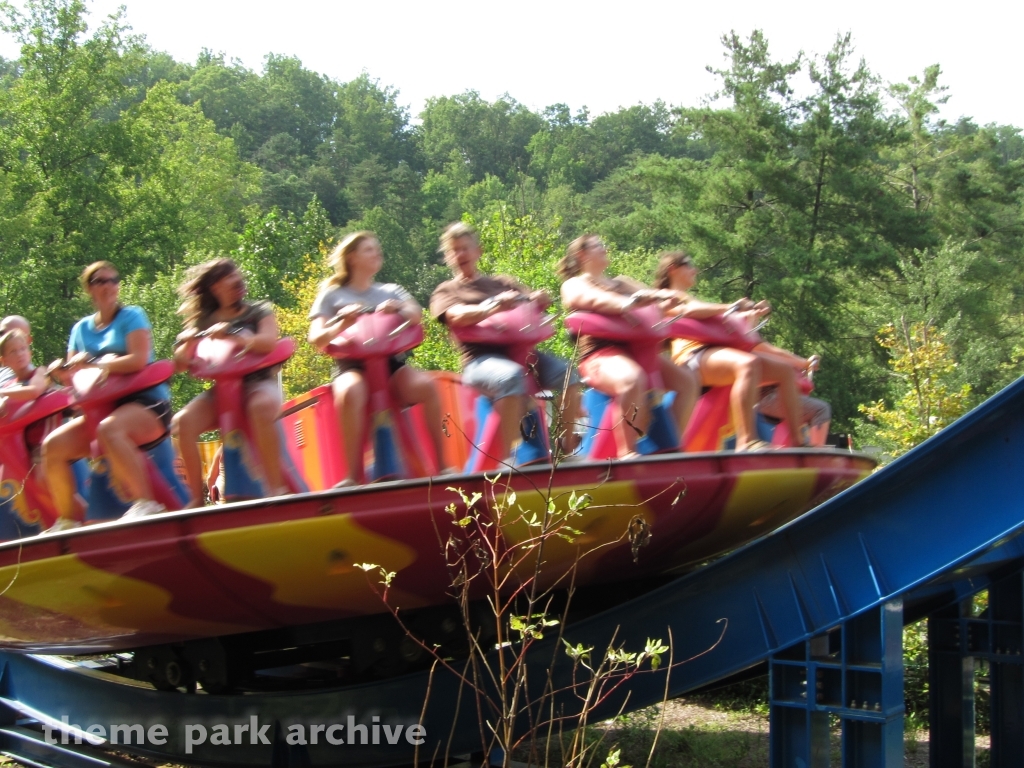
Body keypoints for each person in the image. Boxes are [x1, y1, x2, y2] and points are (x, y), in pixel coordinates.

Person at [430, 222, 584, 464]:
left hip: (524, 353)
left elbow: (531, 303)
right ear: (448, 257)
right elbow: (455, 316)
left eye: (465, 248)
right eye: (454, 250)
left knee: (568, 374)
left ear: (478, 251)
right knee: (511, 376)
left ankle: (564, 446)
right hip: (480, 361)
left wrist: (539, 299)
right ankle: (504, 460)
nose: (460, 255)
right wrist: (491, 306)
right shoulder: (447, 291)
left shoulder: (502, 282)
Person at [309, 231, 453, 487]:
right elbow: (316, 337)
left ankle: (442, 465)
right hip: (351, 365)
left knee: (426, 387)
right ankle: (352, 475)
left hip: (390, 363)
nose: (377, 253)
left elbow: (416, 314)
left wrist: (397, 307)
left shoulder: (390, 290)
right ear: (352, 258)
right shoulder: (332, 295)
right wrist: (342, 321)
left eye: (377, 249)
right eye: (369, 249)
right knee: (351, 391)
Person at [42, 261, 174, 528]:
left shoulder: (132, 315)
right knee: (52, 447)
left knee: (109, 430)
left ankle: (147, 503)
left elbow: (138, 360)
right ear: (89, 288)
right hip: (99, 408)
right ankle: (68, 520)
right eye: (102, 281)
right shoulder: (80, 329)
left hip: (145, 402)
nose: (110, 285)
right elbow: (75, 379)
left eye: (114, 280)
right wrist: (61, 371)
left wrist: (95, 364)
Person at [654, 250, 816, 449]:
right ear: (673, 269)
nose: (695, 269)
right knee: (748, 364)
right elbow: (688, 311)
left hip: (716, 353)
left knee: (784, 371)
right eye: (689, 264)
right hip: (693, 358)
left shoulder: (691, 298)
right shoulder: (667, 296)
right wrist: (732, 306)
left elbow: (738, 331)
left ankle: (797, 441)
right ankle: (746, 440)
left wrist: (750, 312)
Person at [558, 235, 697, 458]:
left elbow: (653, 296)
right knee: (632, 379)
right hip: (600, 354)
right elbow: (591, 300)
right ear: (582, 254)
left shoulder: (621, 282)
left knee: (687, 382)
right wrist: (627, 303)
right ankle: (628, 453)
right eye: (598, 245)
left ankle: (668, 445)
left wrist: (669, 299)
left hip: (638, 349)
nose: (605, 248)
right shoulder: (575, 284)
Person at [172, 258, 288, 505]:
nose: (238, 280)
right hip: (222, 390)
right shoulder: (204, 321)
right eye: (230, 277)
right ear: (216, 287)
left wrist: (238, 337)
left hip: (257, 384)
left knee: (258, 408)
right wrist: (189, 342)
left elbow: (269, 342)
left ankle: (276, 488)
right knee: (182, 423)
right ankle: (195, 498)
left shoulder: (258, 311)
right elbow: (181, 364)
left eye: (238, 275)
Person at [0, 328, 54, 462]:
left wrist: (2, 393)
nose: (19, 354)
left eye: (23, 349)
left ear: (29, 353)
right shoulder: (9, 385)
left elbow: (34, 391)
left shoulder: (39, 373)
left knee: (41, 472)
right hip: (19, 444)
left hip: (44, 440)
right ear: (4, 360)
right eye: (13, 351)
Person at [0, 316, 32, 387]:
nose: (4, 339)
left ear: (28, 340)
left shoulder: (33, 378)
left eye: (16, 335)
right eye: (1, 334)